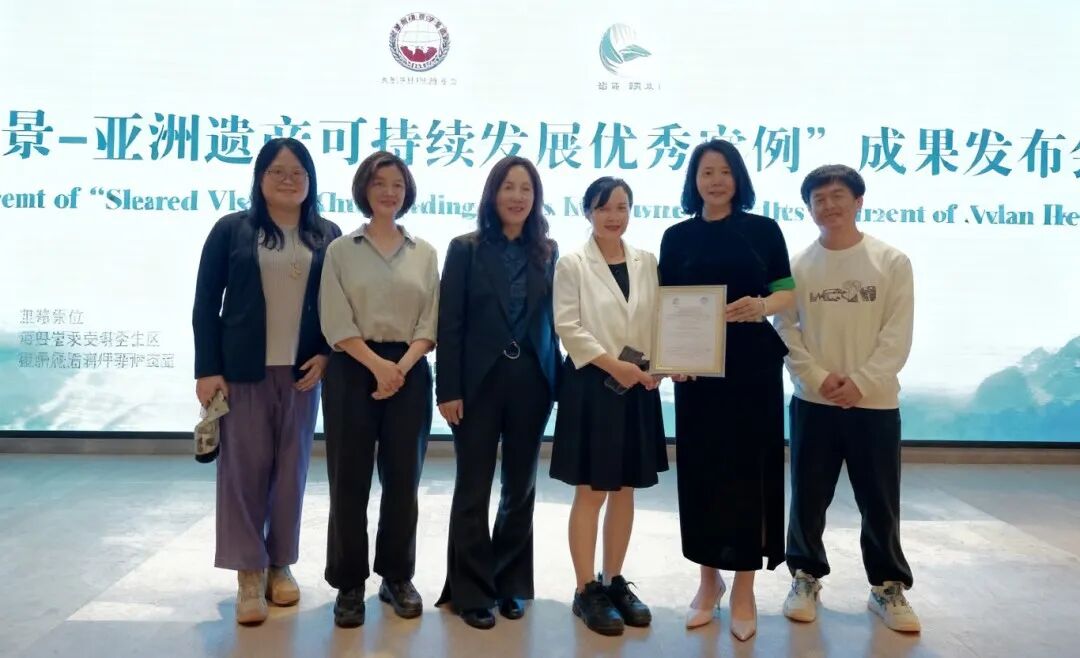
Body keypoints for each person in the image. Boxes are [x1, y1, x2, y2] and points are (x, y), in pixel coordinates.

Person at [192, 137, 341, 625]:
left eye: (298, 173)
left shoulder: (327, 235)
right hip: (242, 372)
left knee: (290, 473)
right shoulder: (232, 230)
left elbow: (338, 306)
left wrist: (327, 355)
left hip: (302, 374)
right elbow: (205, 303)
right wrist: (207, 369)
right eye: (278, 171)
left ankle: (281, 564)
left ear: (310, 181)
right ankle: (249, 573)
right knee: (243, 473)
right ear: (260, 178)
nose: (288, 180)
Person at [658, 139, 795, 641]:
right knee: (703, 474)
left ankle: (744, 588)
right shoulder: (676, 237)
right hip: (697, 375)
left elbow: (787, 291)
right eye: (706, 172)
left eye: (724, 171)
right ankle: (708, 580)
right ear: (693, 181)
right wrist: (670, 359)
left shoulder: (763, 229)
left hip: (752, 369)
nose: (715, 181)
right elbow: (666, 304)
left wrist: (763, 306)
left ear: (738, 178)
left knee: (748, 474)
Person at [775, 164, 920, 633]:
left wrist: (861, 381)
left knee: (879, 499)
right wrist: (817, 378)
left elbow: (897, 334)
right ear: (809, 208)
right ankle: (805, 576)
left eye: (838, 196)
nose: (829, 205)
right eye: (818, 199)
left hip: (874, 404)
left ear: (858, 202)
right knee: (808, 496)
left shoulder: (891, 261)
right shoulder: (796, 266)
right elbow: (786, 329)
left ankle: (887, 586)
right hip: (813, 402)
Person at [434, 156, 560, 630]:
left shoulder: (547, 250)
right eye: (509, 186)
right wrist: (448, 388)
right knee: (473, 486)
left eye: (526, 188)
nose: (517, 196)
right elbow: (450, 323)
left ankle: (509, 584)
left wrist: (558, 382)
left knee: (520, 487)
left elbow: (553, 322)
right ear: (493, 194)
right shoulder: (464, 249)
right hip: (477, 384)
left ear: (536, 197)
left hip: (532, 380)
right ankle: (470, 591)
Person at [319, 151, 439, 628]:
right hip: (352, 368)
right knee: (348, 480)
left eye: (397, 184)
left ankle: (396, 576)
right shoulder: (341, 250)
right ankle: (349, 583)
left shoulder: (424, 252)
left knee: (403, 481)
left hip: (409, 371)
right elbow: (335, 318)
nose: (389, 192)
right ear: (363, 190)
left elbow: (431, 320)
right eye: (379, 183)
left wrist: (400, 368)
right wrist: (376, 366)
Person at [550, 177, 668, 637]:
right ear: (588, 213)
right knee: (592, 490)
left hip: (638, 385)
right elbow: (568, 327)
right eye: (603, 208)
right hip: (592, 386)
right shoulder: (572, 263)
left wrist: (662, 364)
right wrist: (615, 366)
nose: (613, 216)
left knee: (625, 489)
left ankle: (614, 580)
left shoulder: (647, 261)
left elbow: (658, 319)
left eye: (622, 206)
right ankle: (586, 589)